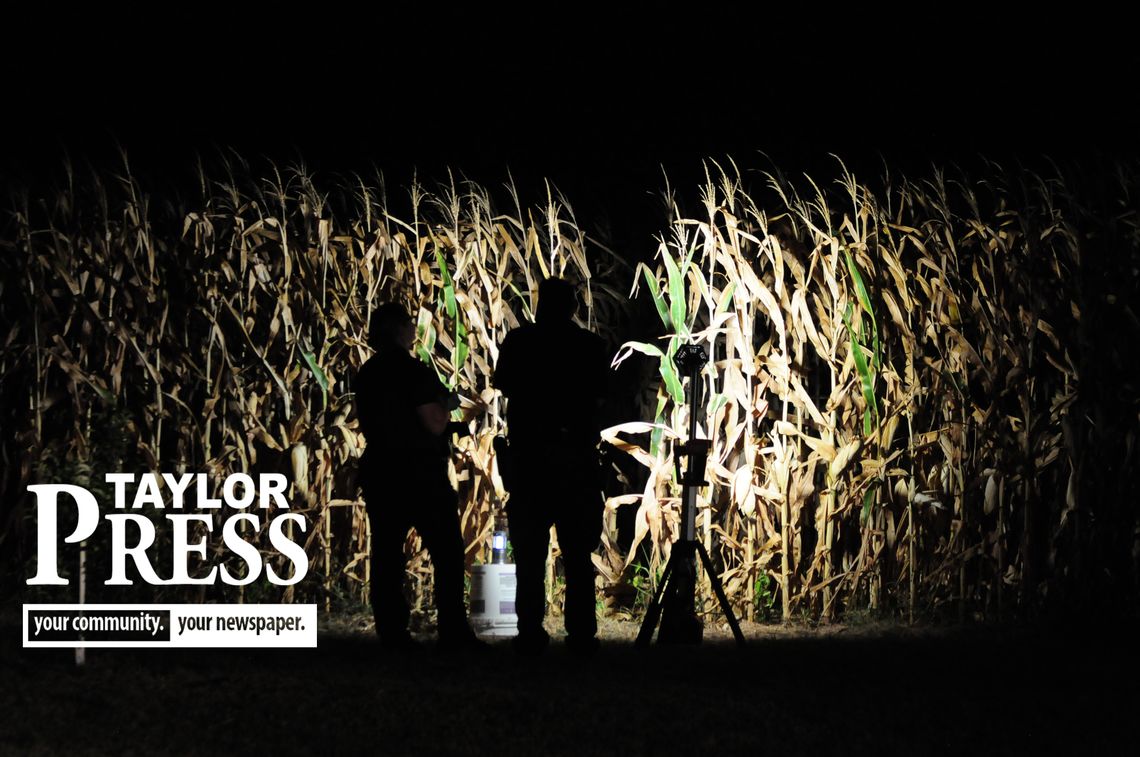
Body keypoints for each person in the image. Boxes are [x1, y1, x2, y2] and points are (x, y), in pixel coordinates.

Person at [493, 278, 609, 655]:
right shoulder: (589, 346)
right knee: (578, 554)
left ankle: (529, 630)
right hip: (575, 460)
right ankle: (580, 632)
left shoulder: (519, 342)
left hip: (530, 459)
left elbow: (505, 385)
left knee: (529, 553)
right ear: (573, 307)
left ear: (541, 304)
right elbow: (603, 393)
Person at [355, 303, 480, 651]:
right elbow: (433, 422)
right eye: (410, 325)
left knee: (386, 554)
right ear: (399, 330)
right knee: (447, 552)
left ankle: (392, 632)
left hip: (380, 470)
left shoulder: (367, 372)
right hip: (419, 474)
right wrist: (447, 403)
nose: (415, 330)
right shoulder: (413, 371)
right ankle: (453, 631)